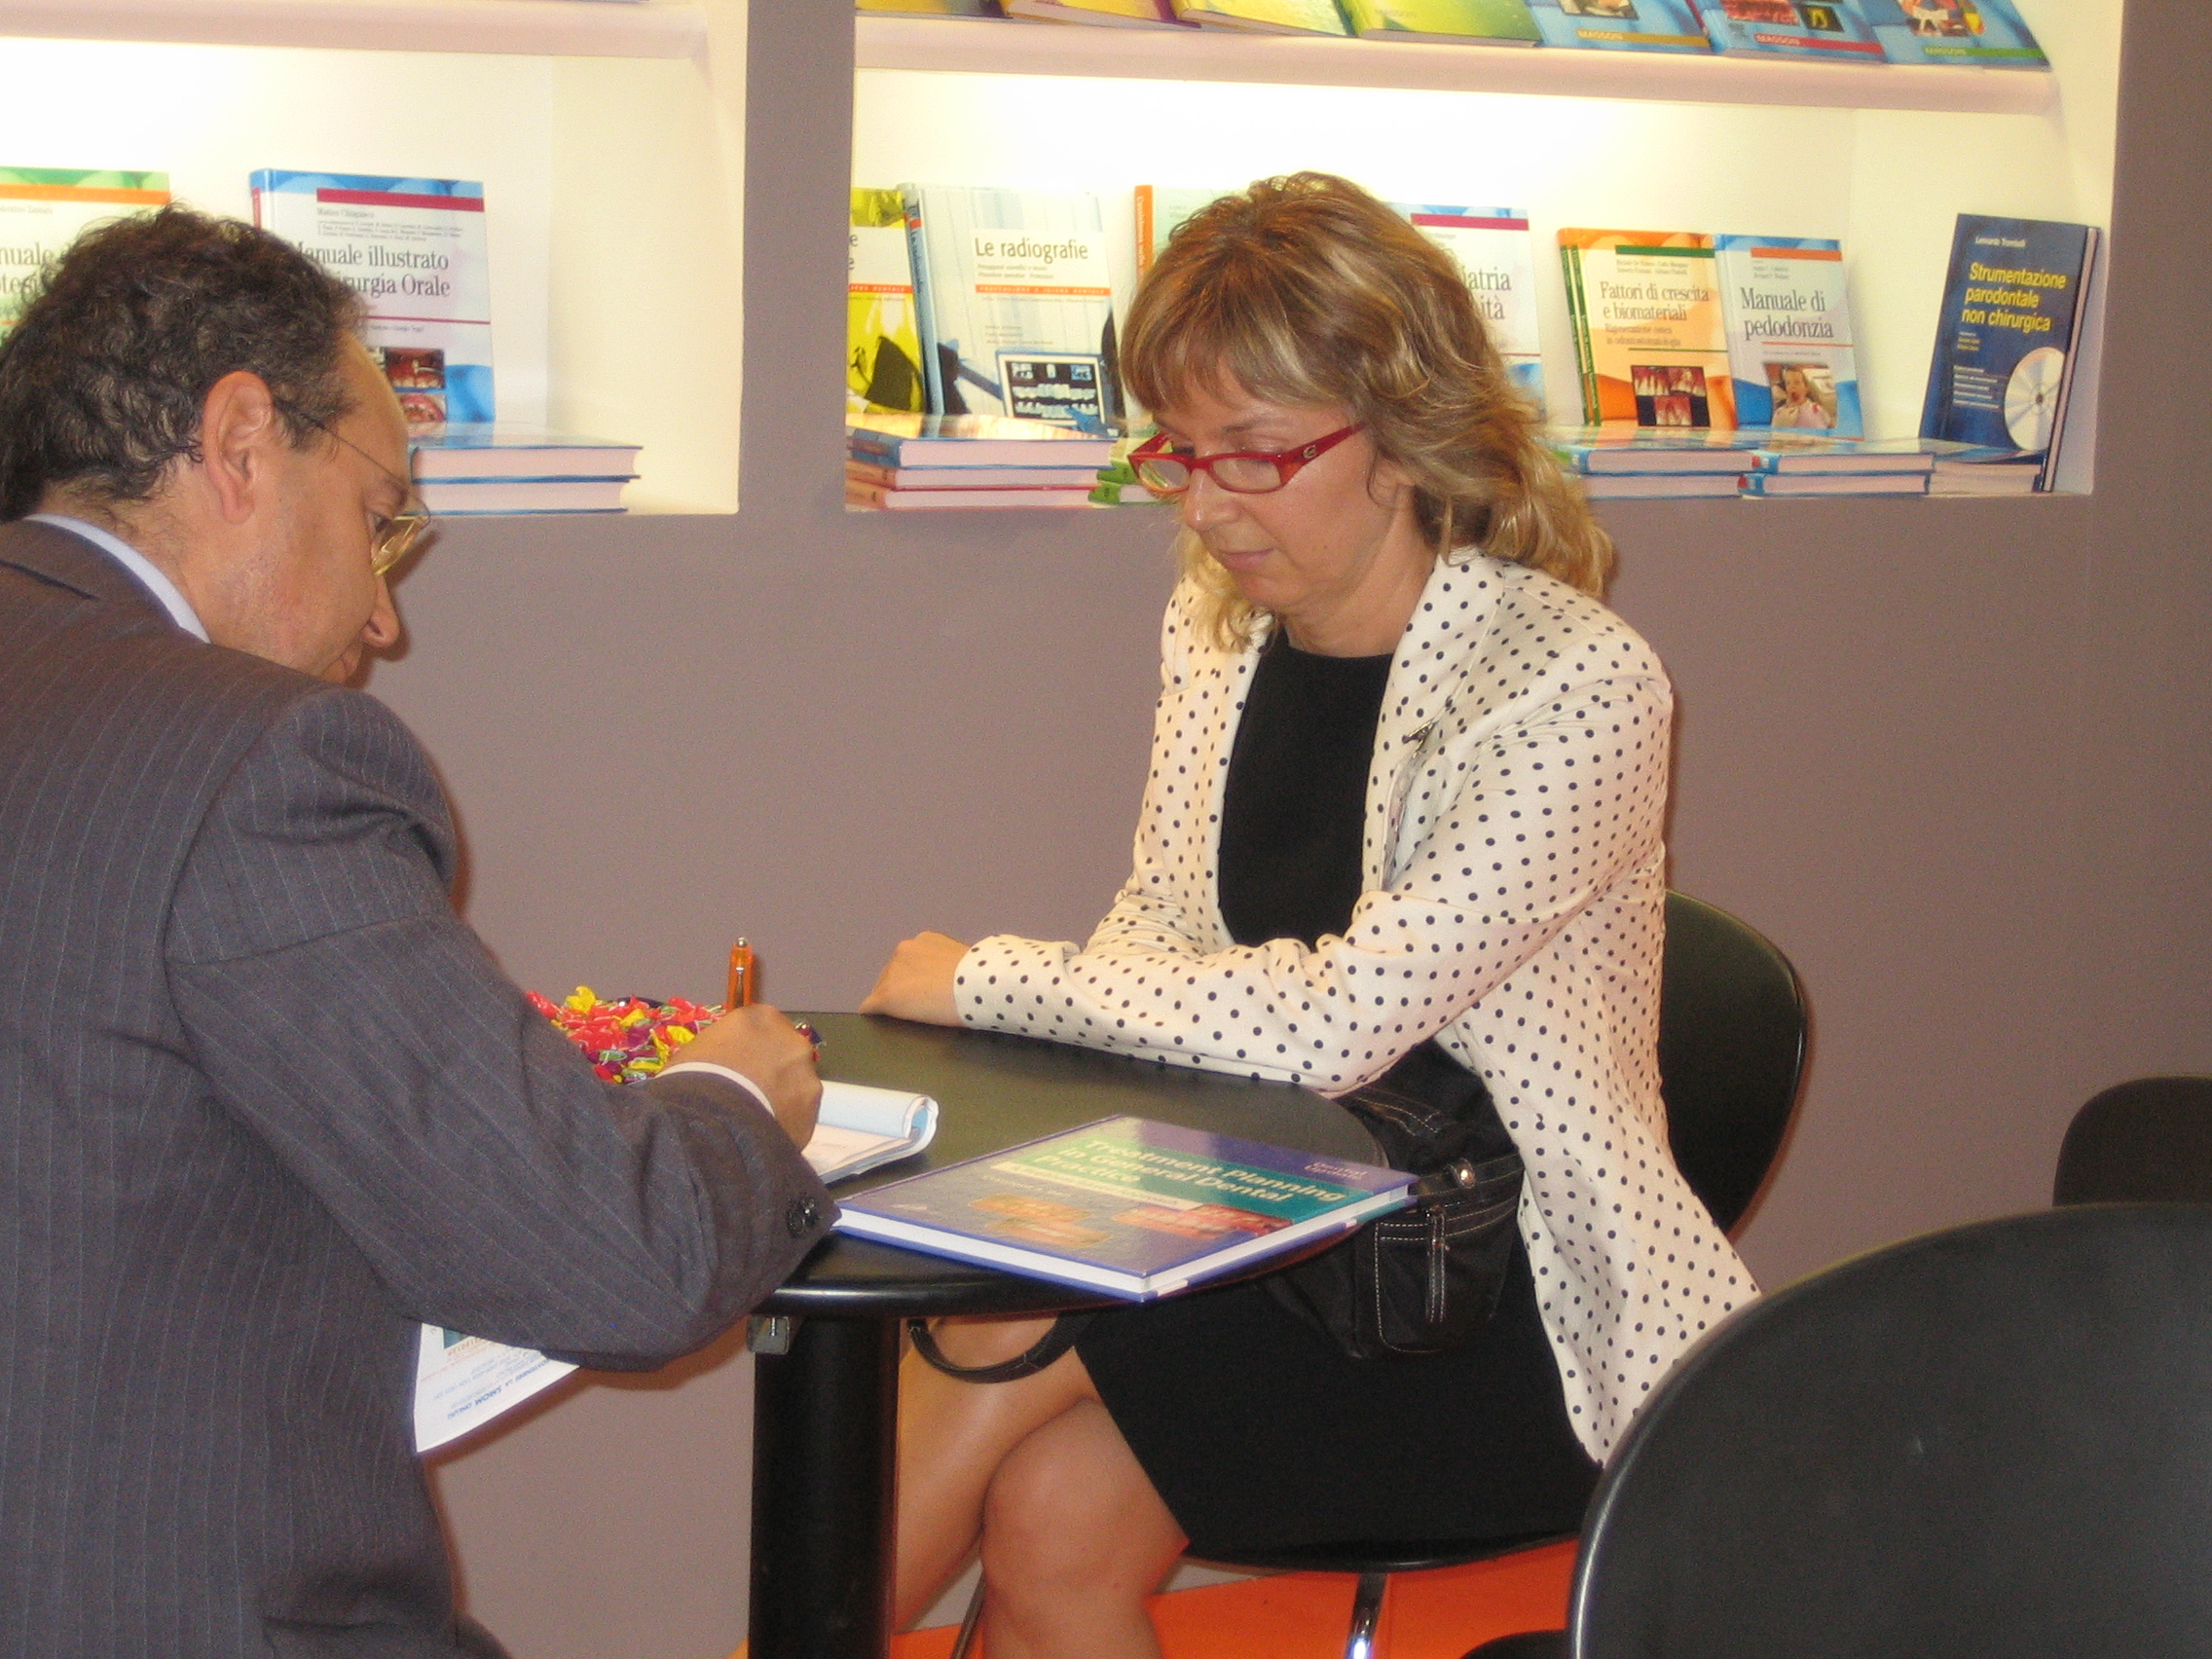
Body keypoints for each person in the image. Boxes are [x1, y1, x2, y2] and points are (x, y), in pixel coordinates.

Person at [864, 174, 1755, 1659]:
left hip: (1503, 1298)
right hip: (1268, 1219)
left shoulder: (1578, 685)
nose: (1206, 506)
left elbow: (1339, 1020)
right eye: (1178, 451)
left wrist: (992, 982)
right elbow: (1163, 928)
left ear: (1405, 433)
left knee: (1000, 1319)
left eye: (1257, 456)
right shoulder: (1217, 629)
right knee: (1051, 1519)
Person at [0, 206, 833, 1658]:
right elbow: (620, 1261)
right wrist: (730, 1096)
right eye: (380, 516)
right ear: (241, 441)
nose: (385, 618)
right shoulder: (255, 763)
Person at [1771, 363, 1835, 428]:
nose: (1792, 387)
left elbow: (1831, 425)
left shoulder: (1817, 410)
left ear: (1806, 388)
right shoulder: (1779, 413)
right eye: (1788, 383)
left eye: (1797, 382)